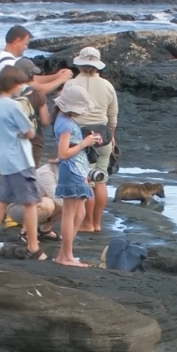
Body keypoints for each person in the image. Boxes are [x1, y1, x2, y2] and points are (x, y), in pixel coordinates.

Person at [0, 66, 46, 260]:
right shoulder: (13, 105)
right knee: (31, 203)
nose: (22, 88)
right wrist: (26, 132)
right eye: (21, 84)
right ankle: (33, 247)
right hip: (20, 160)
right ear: (14, 85)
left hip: (6, 159)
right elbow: (30, 131)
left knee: (2, 201)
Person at [63, 47, 119, 233]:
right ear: (97, 65)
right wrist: (112, 139)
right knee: (100, 179)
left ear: (80, 63)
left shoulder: (71, 85)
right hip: (103, 136)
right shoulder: (107, 85)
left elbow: (64, 111)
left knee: (87, 180)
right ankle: (96, 223)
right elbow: (112, 116)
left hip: (81, 137)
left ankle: (87, 223)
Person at [51, 85, 101, 267]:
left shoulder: (63, 119)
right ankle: (65, 256)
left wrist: (84, 141)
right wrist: (85, 143)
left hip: (76, 170)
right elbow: (63, 153)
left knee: (80, 212)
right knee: (70, 213)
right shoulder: (65, 123)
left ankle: (65, 253)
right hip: (71, 170)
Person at [10, 160, 63, 242]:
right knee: (48, 204)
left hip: (36, 205)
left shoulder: (68, 173)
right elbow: (58, 199)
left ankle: (44, 230)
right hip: (17, 207)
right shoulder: (46, 173)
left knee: (71, 204)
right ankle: (25, 232)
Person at [12, 58, 49, 166]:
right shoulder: (37, 94)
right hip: (33, 141)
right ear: (31, 75)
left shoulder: (6, 92)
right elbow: (45, 121)